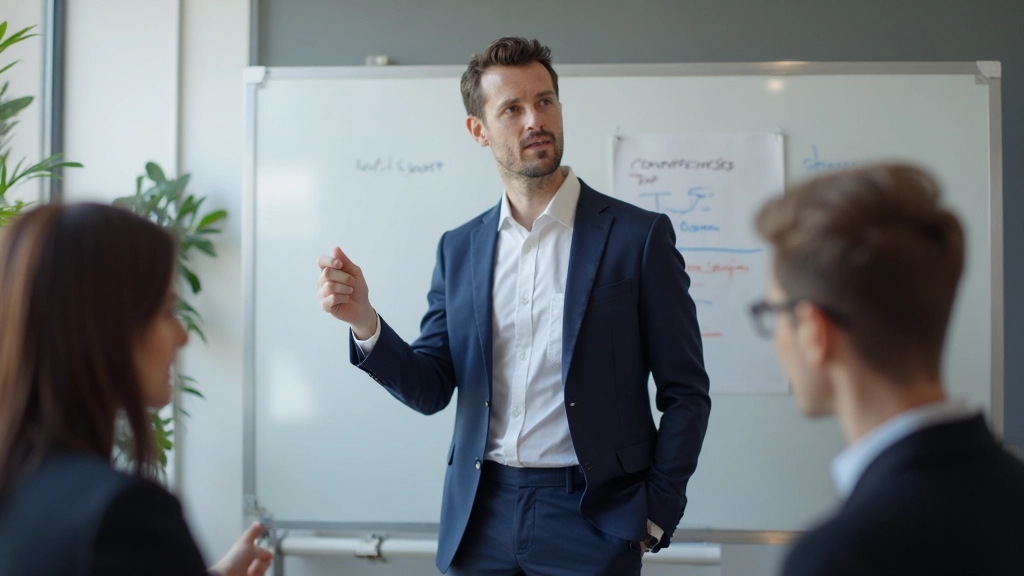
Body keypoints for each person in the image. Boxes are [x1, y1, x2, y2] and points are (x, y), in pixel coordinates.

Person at [317, 36, 711, 575]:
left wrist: (657, 512)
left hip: (593, 517)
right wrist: (364, 320)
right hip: (481, 514)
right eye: (512, 108)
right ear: (478, 130)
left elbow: (686, 392)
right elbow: (432, 388)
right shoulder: (460, 248)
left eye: (545, 100)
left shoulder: (637, 239)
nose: (535, 120)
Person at [749, 164, 1024, 575]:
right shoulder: (1012, 492)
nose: (775, 339)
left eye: (773, 312)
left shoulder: (840, 556)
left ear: (814, 332)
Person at [0, 203, 274, 576]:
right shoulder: (123, 516)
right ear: (103, 329)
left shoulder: (20, 487)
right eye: (166, 311)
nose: (183, 336)